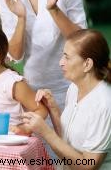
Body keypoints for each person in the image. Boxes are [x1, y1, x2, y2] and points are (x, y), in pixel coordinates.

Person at [22, 29, 111, 170]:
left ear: (87, 64)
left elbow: (87, 166)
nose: (60, 63)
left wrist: (46, 132)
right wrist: (53, 109)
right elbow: (66, 139)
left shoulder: (104, 103)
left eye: (67, 57)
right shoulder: (74, 88)